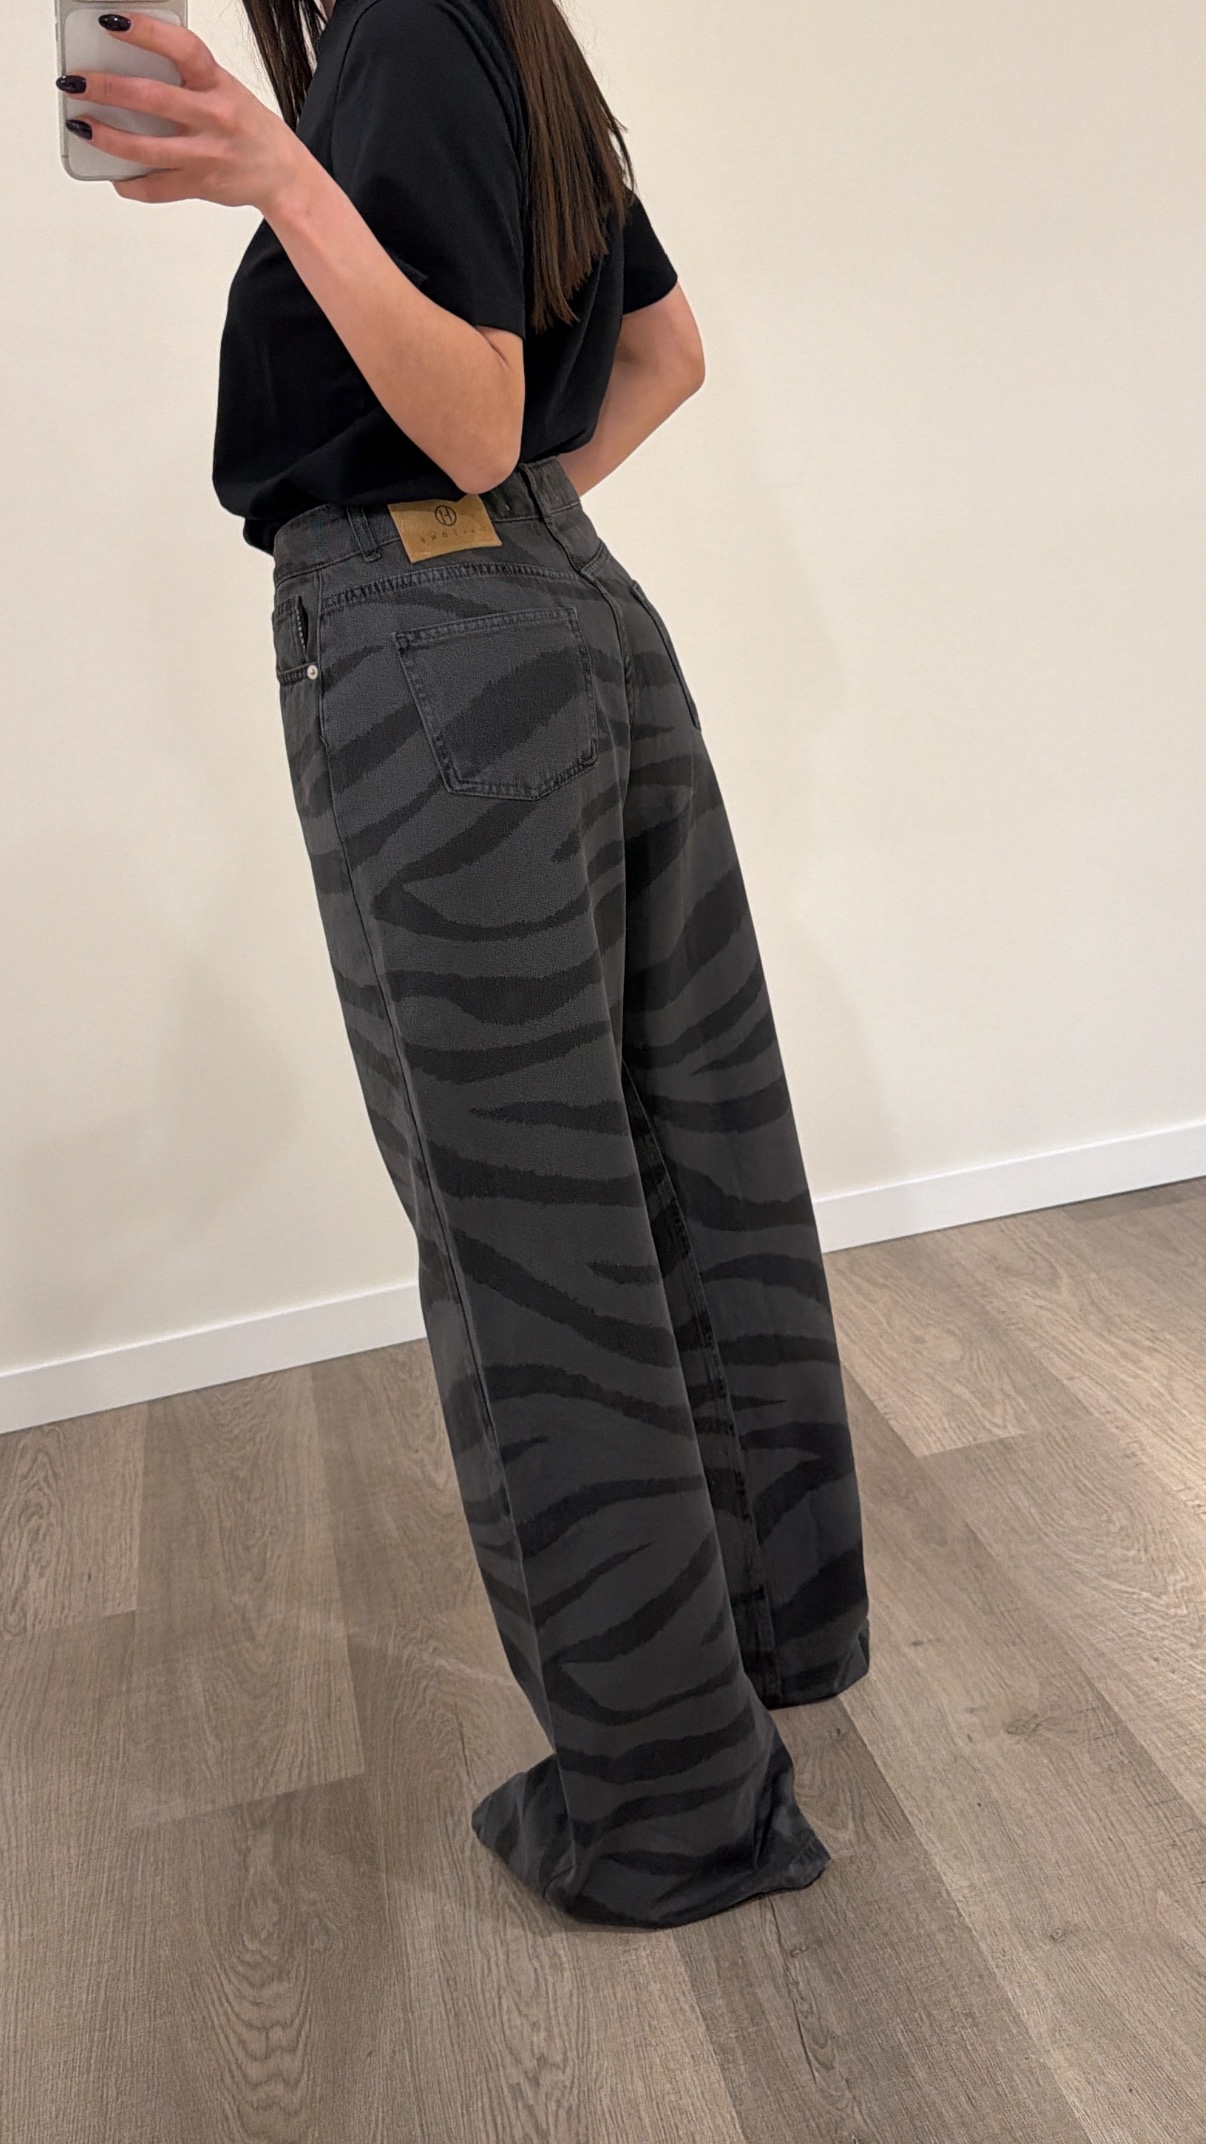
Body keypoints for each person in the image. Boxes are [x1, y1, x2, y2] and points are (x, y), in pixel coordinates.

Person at [59, 0, 871, 1930]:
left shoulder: (397, 33)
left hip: (423, 660)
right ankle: (774, 1634)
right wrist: (510, 550)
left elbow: (477, 416)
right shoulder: (504, 32)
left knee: (530, 1241)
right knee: (688, 1162)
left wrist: (279, 175)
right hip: (575, 616)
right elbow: (662, 353)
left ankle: (669, 1813)